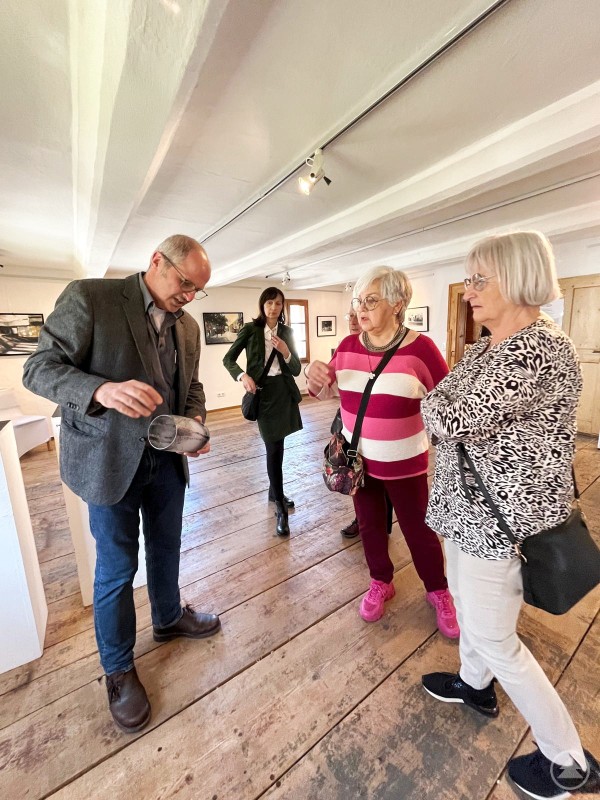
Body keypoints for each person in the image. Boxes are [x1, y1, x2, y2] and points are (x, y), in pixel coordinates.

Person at [420, 231, 600, 799]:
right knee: (475, 616)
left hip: (497, 527)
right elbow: (446, 405)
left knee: (498, 640)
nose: (468, 291)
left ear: (518, 281)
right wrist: (441, 402)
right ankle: (474, 686)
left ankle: (566, 761)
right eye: (468, 278)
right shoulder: (489, 347)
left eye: (479, 280)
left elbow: (445, 416)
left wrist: (439, 403)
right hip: (463, 513)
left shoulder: (534, 350)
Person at [22, 234, 220, 734]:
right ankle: (118, 669)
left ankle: (169, 615)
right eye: (184, 283)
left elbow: (190, 386)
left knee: (168, 546)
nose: (189, 296)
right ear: (157, 261)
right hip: (108, 461)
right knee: (115, 569)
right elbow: (38, 369)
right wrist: (101, 390)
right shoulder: (91, 298)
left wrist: (194, 423)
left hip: (166, 461)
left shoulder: (189, 328)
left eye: (198, 289)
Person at [305, 267, 459, 638]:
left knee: (418, 530)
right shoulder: (347, 346)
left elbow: (449, 401)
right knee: (370, 526)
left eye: (370, 300)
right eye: (358, 301)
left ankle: (438, 591)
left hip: (405, 463)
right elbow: (326, 392)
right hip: (359, 462)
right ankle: (380, 581)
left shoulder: (421, 349)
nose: (361, 309)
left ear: (398, 304)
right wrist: (314, 380)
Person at [223, 287, 302, 536]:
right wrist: (242, 376)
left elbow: (297, 368)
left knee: (279, 445)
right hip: (263, 393)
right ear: (262, 305)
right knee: (273, 447)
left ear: (282, 307)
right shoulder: (251, 330)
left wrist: (286, 351)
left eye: (278, 303)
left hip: (283, 392)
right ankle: (279, 505)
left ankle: (273, 491)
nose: (273, 308)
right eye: (269, 303)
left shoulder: (287, 332)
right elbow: (228, 359)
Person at [338, 306, 393, 540]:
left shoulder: (383, 348)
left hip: (382, 429)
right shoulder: (347, 346)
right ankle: (363, 520)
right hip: (355, 425)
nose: (353, 320)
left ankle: (383, 524)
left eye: (356, 315)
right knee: (357, 475)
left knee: (383, 481)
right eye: (349, 315)